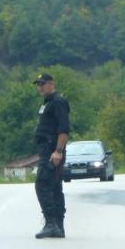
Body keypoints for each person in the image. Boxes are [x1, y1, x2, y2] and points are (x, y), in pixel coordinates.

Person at [32, 72, 70, 239]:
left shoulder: (58, 102)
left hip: (52, 151)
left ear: (51, 84)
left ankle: (51, 224)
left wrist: (58, 151)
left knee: (42, 184)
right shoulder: (48, 103)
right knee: (55, 187)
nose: (40, 87)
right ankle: (58, 226)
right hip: (47, 150)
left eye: (43, 83)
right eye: (38, 84)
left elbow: (64, 128)